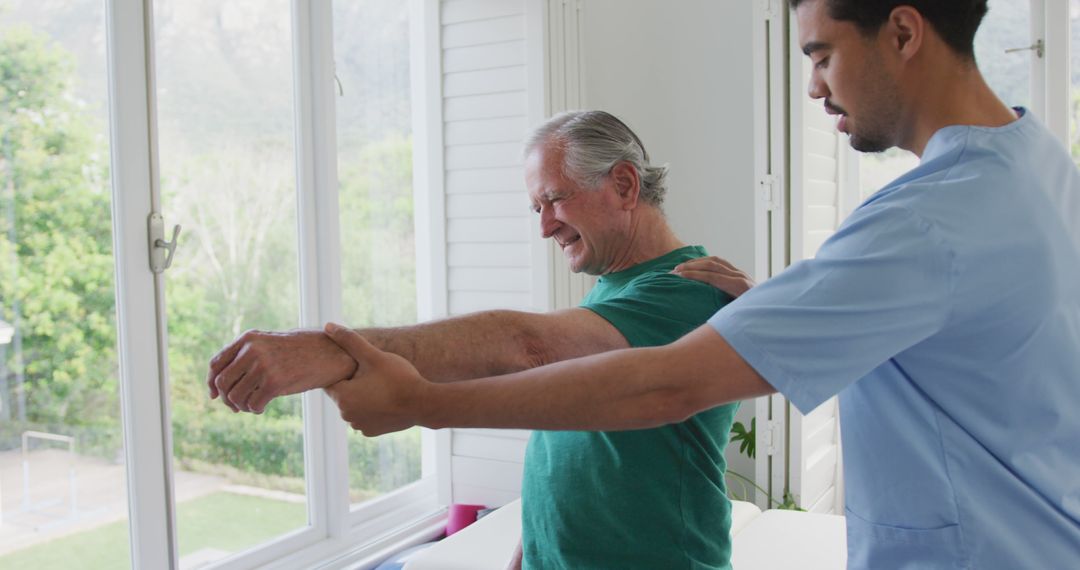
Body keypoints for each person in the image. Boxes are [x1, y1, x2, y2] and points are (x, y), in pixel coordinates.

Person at [317, 1, 1080, 568]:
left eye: (820, 55)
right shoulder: (1038, 167)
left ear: (904, 33)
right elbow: (970, 346)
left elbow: (646, 383)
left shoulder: (928, 220)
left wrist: (418, 401)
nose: (815, 87)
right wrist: (782, 316)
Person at [207, 111, 754, 569]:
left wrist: (324, 352)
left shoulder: (688, 291)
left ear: (625, 185)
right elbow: (582, 456)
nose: (544, 227)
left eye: (554, 200)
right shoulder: (612, 296)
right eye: (535, 208)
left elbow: (524, 345)